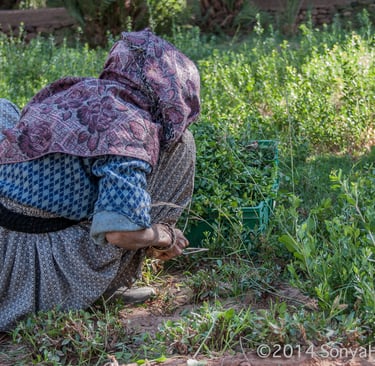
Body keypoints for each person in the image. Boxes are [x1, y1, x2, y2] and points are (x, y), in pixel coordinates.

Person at [0, 28, 200, 331]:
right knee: (183, 144)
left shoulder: (73, 90)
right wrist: (163, 235)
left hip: (5, 248)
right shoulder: (132, 127)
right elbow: (119, 234)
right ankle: (103, 287)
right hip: (39, 274)